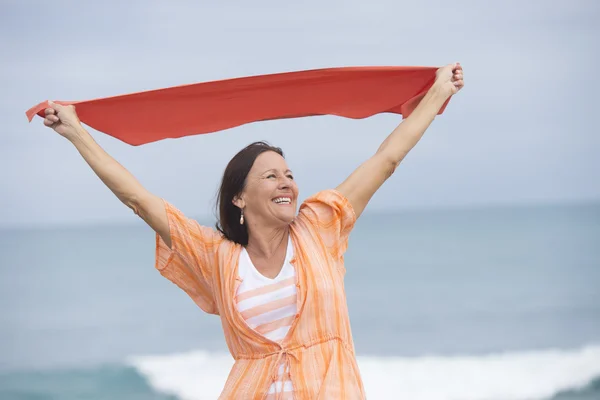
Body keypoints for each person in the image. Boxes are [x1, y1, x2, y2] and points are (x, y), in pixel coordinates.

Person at [42, 63, 464, 399]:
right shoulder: (218, 257)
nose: (286, 183)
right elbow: (139, 199)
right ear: (239, 198)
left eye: (289, 174)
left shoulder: (319, 227)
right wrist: (76, 131)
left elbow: (386, 160)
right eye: (270, 177)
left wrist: (437, 93)